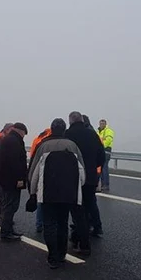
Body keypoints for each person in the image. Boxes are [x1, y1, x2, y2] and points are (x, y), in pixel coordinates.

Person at [28, 118, 85, 268]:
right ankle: (61, 255)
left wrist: (32, 192)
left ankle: (52, 256)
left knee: (49, 224)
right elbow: (82, 172)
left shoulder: (43, 145)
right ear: (64, 129)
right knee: (62, 223)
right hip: (67, 193)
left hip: (48, 193)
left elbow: (34, 172)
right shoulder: (72, 146)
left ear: (52, 129)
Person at [66, 111, 106, 248]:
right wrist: (94, 166)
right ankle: (97, 228)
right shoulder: (92, 134)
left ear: (70, 121)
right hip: (90, 176)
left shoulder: (68, 135)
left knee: (77, 208)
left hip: (73, 177)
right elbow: (102, 156)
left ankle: (78, 237)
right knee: (90, 203)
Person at [0, 122, 28, 241]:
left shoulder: (9, 139)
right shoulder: (14, 141)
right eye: (24, 133)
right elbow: (15, 163)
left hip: (6, 179)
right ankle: (6, 232)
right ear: (20, 131)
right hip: (12, 180)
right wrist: (19, 179)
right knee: (10, 205)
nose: (24, 136)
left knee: (10, 205)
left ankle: (8, 230)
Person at [29, 127, 52, 232]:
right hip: (45, 168)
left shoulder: (37, 139)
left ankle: (39, 224)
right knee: (46, 199)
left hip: (37, 165)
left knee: (40, 197)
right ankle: (46, 223)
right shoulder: (47, 141)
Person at [97, 119, 114, 192]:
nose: (101, 125)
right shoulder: (98, 132)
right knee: (100, 169)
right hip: (100, 151)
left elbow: (108, 140)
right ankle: (102, 185)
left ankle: (106, 185)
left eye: (103, 123)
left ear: (105, 124)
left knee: (104, 168)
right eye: (100, 123)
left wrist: (101, 145)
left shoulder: (108, 131)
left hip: (106, 151)